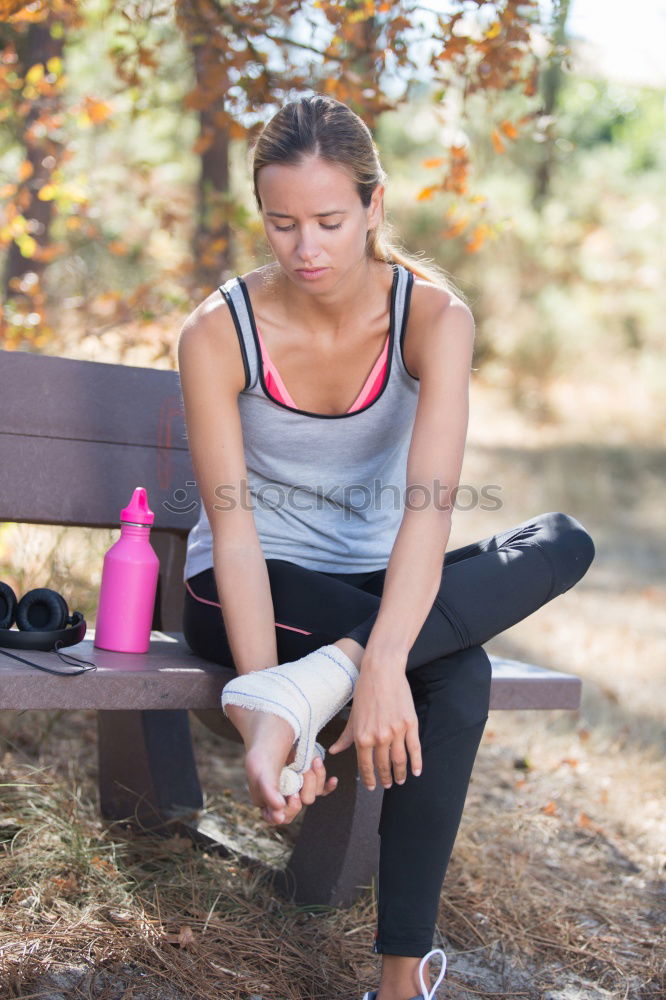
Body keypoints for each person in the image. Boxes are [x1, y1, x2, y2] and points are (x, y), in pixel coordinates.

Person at [178, 94, 595, 1000]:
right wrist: (266, 703)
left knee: (562, 542)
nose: (307, 248)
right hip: (250, 586)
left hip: (376, 579)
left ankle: (399, 978)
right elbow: (235, 525)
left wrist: (378, 663)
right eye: (282, 223)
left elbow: (427, 514)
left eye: (331, 219)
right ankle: (404, 981)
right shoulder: (218, 332)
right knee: (463, 673)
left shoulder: (434, 319)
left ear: (374, 205)